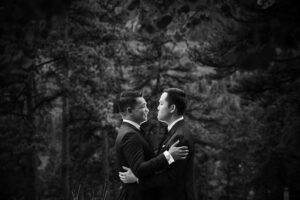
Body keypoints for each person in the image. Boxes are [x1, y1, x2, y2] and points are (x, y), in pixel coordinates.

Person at [119, 88, 196, 200]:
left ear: (172, 108)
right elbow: (165, 163)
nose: (158, 108)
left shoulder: (180, 136)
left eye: (161, 104)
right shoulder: (174, 131)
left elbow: (170, 176)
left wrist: (137, 179)